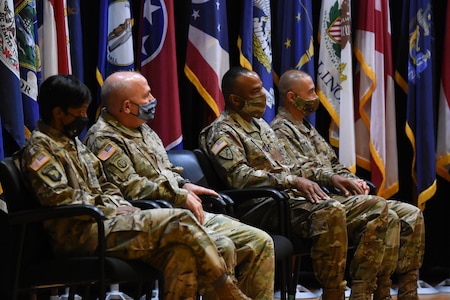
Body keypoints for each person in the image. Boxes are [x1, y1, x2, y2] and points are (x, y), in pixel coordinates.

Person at [15, 74, 252, 300]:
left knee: (181, 254)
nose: (85, 117)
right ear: (58, 113)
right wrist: (111, 208)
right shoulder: (40, 149)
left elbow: (105, 184)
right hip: (80, 232)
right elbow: (60, 199)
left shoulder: (74, 144)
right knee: (179, 219)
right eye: (80, 112)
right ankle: (226, 290)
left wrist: (119, 205)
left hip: (105, 223)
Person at [199, 66, 394, 300]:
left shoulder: (260, 126)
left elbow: (291, 166)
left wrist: (328, 177)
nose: (264, 95)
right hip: (259, 206)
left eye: (262, 88)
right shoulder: (222, 132)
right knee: (329, 210)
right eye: (255, 91)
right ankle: (333, 293)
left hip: (287, 200)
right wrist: (291, 181)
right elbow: (240, 177)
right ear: (235, 99)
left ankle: (362, 292)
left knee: (375, 207)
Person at [84, 71, 275, 300]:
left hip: (180, 210)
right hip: (152, 218)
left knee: (259, 242)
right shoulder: (104, 139)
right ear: (127, 106)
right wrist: (178, 195)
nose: (153, 99)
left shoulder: (143, 128)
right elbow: (131, 188)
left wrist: (184, 185)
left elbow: (166, 171)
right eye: (146, 96)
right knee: (221, 246)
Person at [270, 69, 425, 300]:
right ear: (292, 97)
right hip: (311, 204)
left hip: (336, 198)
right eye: (311, 91)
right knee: (380, 211)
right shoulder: (279, 130)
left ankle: (403, 290)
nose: (316, 96)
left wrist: (353, 180)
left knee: (411, 214)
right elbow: (297, 171)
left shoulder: (307, 129)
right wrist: (334, 179)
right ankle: (363, 291)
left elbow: (333, 164)